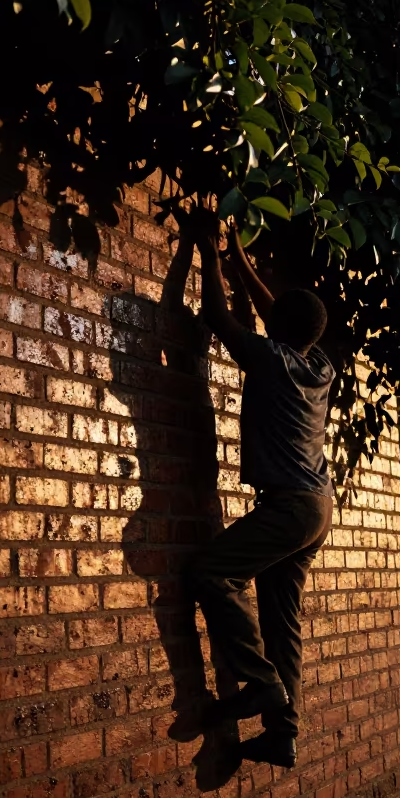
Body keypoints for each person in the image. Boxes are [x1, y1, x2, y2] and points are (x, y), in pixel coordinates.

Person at [169, 206, 334, 769]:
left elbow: (218, 316)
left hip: (290, 508)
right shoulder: (319, 366)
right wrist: (237, 255)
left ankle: (263, 686)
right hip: (318, 509)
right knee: (282, 624)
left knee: (213, 573)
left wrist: (204, 247)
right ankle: (283, 734)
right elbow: (274, 313)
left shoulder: (269, 359)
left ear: (277, 329)